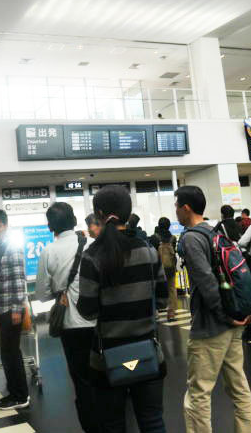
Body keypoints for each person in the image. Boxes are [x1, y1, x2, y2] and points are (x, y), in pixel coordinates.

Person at [77, 185, 168, 433]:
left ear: (99, 213)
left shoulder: (92, 256)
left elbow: (88, 311)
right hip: (148, 351)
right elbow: (162, 300)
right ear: (127, 214)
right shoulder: (148, 250)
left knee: (113, 424)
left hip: (107, 358)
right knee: (152, 420)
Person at [175, 186, 251, 433]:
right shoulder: (215, 231)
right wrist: (234, 316)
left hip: (212, 326)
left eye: (177, 206)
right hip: (234, 323)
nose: (176, 212)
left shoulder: (191, 238)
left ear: (186, 208)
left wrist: (224, 316)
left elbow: (207, 283)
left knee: (198, 394)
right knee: (239, 387)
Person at [36, 202, 97, 433]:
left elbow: (41, 294)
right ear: (74, 221)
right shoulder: (92, 243)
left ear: (50, 226)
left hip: (71, 325)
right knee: (105, 375)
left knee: (82, 381)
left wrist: (60, 290)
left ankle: (91, 427)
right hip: (99, 321)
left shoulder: (49, 251)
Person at [0, 208, 30, 410]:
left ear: (6, 225)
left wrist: (16, 309)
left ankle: (21, 395)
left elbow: (19, 280)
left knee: (11, 353)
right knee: (7, 353)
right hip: (2, 306)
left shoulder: (12, 247)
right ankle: (15, 392)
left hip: (11, 308)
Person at [156, 217, 179, 322]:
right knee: (172, 289)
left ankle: (156, 311)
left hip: (158, 269)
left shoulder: (154, 238)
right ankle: (171, 313)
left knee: (155, 288)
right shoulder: (173, 238)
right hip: (170, 268)